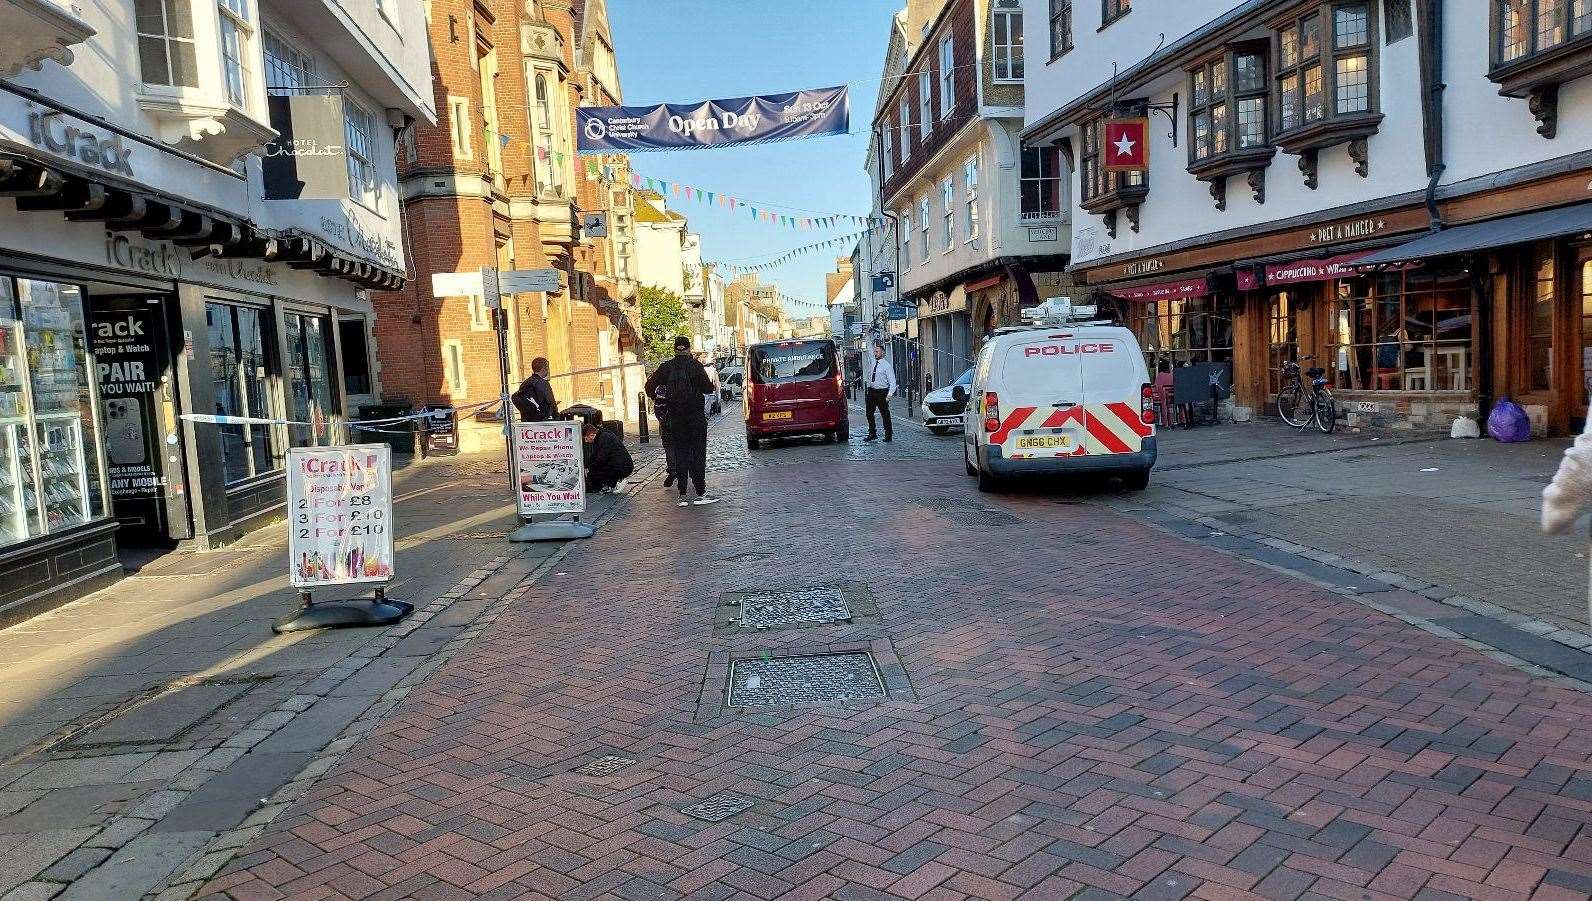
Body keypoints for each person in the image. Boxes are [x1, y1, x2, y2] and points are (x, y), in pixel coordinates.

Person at [646, 336, 716, 506]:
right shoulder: (695, 366)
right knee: (698, 454)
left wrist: (659, 398)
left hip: (676, 418)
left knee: (680, 453)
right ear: (689, 349)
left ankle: (682, 495)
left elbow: (649, 387)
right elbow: (708, 388)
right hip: (695, 417)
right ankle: (700, 492)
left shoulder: (666, 368)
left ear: (675, 349)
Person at [582, 421, 633, 493]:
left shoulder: (604, 438)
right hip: (620, 465)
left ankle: (617, 482)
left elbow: (602, 458)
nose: (586, 442)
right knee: (594, 471)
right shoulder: (601, 436)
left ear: (591, 435)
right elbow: (595, 455)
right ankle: (609, 484)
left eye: (586, 439)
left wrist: (590, 468)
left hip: (623, 467)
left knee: (594, 472)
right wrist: (586, 465)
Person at [863, 341, 897, 443]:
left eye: (877, 351)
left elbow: (893, 382)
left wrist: (889, 395)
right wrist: (867, 336)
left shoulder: (887, 366)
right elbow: (869, 349)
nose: (875, 353)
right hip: (872, 391)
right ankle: (872, 433)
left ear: (882, 353)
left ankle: (888, 435)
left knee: (885, 414)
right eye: (875, 351)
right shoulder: (873, 362)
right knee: (869, 413)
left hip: (882, 392)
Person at [511, 357, 559, 422]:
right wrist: (556, 416)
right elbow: (550, 402)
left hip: (527, 421)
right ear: (544, 369)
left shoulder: (525, 383)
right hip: (543, 421)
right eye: (547, 367)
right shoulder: (543, 383)